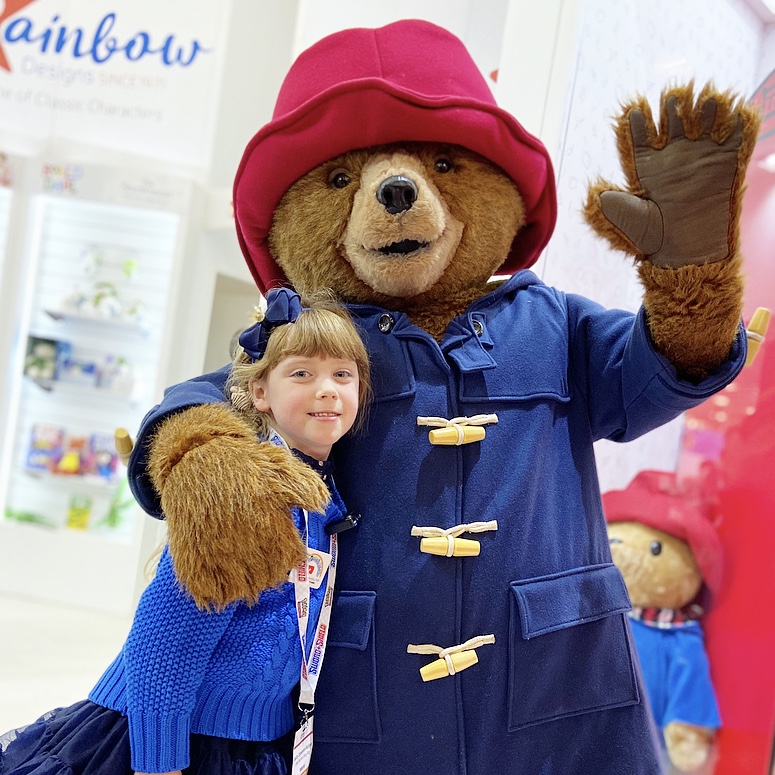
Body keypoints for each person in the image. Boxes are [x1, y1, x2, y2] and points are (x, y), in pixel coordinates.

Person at [0, 288, 371, 775]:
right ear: (260, 392)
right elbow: (162, 643)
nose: (327, 389)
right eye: (301, 373)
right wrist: (160, 764)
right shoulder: (242, 493)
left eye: (343, 374)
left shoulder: (326, 493)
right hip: (169, 742)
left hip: (253, 742)